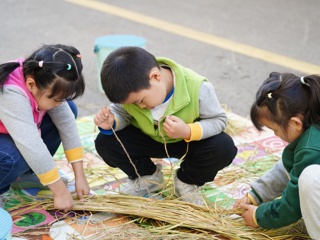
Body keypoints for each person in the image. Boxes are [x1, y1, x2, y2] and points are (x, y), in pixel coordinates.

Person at [94, 46, 237, 205]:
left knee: (223, 147)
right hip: (148, 139)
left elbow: (219, 120)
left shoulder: (197, 87)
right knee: (105, 141)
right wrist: (113, 122)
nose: (140, 107)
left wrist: (188, 131)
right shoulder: (134, 90)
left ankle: (186, 182)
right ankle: (148, 177)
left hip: (186, 142)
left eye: (140, 101)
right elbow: (122, 111)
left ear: (155, 77)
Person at [0, 44, 90, 212]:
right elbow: (31, 145)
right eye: (55, 99)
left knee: (69, 109)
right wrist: (60, 192)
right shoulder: (10, 92)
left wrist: (80, 175)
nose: (58, 104)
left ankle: (25, 175)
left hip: (10, 133)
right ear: (31, 84)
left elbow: (66, 123)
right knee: (12, 157)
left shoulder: (45, 79)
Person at [234, 72, 320, 238]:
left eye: (274, 129)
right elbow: (288, 168)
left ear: (295, 123)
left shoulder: (310, 149)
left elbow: (291, 206)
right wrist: (256, 195)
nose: (275, 134)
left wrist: (259, 216)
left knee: (309, 177)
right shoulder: (313, 121)